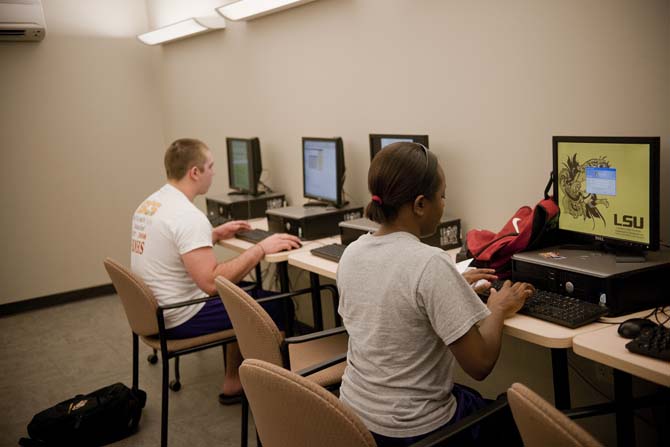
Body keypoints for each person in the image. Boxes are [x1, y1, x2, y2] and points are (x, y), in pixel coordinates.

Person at [336, 142, 534, 446]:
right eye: (442, 196)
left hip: (355, 420)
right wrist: (498, 308)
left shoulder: (352, 252)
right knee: (514, 416)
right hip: (415, 432)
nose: (444, 204)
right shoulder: (429, 263)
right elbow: (480, 365)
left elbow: (395, 292)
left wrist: (449, 285)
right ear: (419, 205)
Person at [130, 138, 301, 403]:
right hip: (180, 316)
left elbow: (173, 245)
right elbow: (211, 284)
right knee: (279, 307)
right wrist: (260, 249)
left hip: (155, 313)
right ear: (195, 172)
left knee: (243, 295)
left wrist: (213, 234)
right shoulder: (188, 216)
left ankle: (233, 381)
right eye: (210, 166)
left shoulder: (151, 204)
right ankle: (277, 399)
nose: (214, 172)